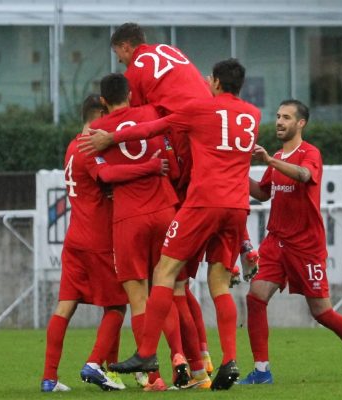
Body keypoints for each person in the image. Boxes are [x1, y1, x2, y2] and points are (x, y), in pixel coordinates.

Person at [81, 58, 262, 391]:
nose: (206, 81)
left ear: (218, 83)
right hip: (237, 207)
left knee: (164, 273)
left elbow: (152, 129)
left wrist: (109, 139)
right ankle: (230, 359)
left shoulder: (200, 109)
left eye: (210, 77)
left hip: (202, 203)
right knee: (219, 284)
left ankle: (147, 354)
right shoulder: (253, 115)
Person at [238, 99, 342, 385]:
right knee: (255, 297)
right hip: (276, 242)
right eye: (278, 116)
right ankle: (261, 370)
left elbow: (305, 175)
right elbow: (262, 193)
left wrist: (270, 161)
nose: (280, 122)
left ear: (301, 123)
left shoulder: (310, 153)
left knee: (322, 312)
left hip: (305, 246)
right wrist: (234, 171)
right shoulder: (278, 155)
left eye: (286, 117)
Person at [109, 22, 216, 378]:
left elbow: (140, 122)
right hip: (208, 131)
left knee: (160, 285)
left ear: (126, 47)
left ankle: (157, 367)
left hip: (142, 210)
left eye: (119, 54)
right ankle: (199, 362)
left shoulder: (136, 72)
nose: (121, 63)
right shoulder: (170, 50)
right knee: (181, 283)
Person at [41, 95, 166, 393]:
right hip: (97, 238)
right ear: (99, 114)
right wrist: (150, 167)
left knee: (65, 307)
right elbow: (106, 173)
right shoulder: (89, 147)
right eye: (108, 115)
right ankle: (95, 364)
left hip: (75, 238)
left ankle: (49, 377)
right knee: (118, 305)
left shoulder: (73, 146)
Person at [90, 73, 196, 391]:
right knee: (167, 291)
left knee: (139, 300)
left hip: (129, 218)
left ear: (104, 101)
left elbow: (103, 175)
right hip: (164, 210)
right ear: (130, 93)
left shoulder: (97, 131)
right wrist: (154, 169)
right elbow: (174, 168)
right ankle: (180, 358)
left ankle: (154, 378)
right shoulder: (152, 114)